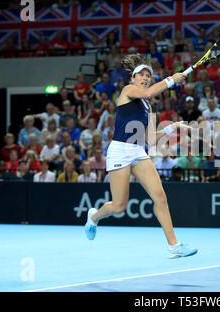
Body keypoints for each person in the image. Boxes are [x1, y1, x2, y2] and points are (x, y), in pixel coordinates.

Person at [84, 53, 197, 258]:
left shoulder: (147, 105)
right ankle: (94, 217)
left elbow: (150, 139)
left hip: (138, 151)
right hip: (119, 150)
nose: (146, 78)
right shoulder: (128, 91)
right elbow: (153, 91)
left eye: (148, 76)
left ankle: (174, 246)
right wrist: (173, 79)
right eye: (142, 75)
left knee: (160, 196)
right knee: (119, 206)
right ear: (133, 79)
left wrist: (172, 127)